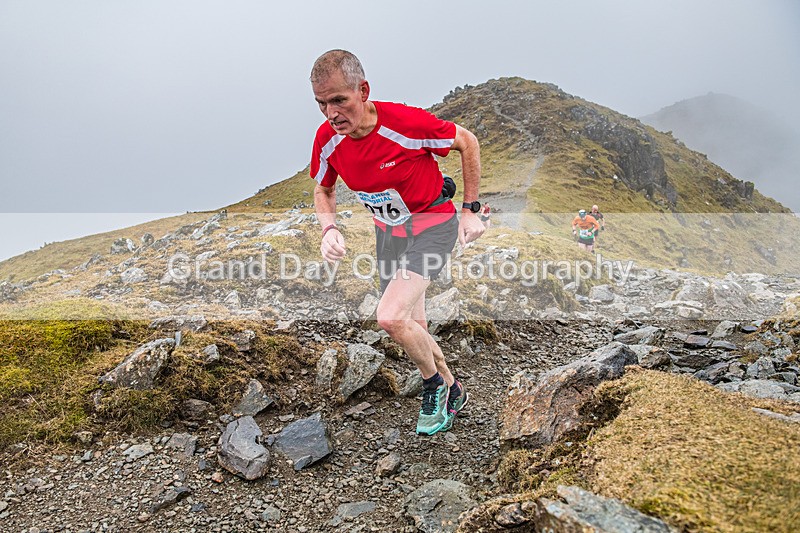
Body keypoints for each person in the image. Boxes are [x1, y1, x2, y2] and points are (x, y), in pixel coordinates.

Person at [309, 50, 485, 435]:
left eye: (339, 100)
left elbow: (467, 142)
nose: (331, 114)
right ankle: (454, 389)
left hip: (433, 225)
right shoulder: (327, 139)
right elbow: (324, 189)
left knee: (389, 317)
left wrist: (470, 210)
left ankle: (433, 385)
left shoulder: (405, 124)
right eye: (321, 104)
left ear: (363, 91)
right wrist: (329, 228)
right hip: (389, 234)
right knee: (413, 323)